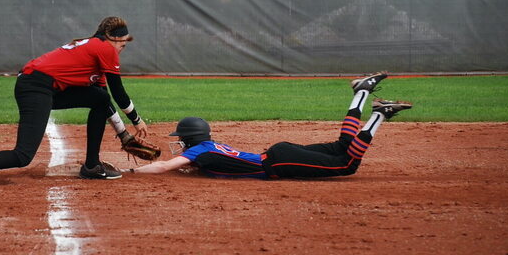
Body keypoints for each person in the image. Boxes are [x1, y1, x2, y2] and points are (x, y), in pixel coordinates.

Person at [0, 16, 148, 188]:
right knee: (23, 155)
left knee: (99, 98)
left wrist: (123, 134)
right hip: (35, 87)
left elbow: (105, 100)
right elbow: (119, 92)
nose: (122, 49)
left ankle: (92, 166)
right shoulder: (104, 48)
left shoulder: (94, 48)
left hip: (43, 87)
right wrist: (136, 120)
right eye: (122, 44)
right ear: (113, 38)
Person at [126, 72, 412, 178]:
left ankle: (379, 114)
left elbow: (164, 166)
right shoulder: (205, 150)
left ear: (190, 140)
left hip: (278, 164)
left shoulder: (199, 152)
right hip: (279, 155)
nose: (180, 144)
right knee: (342, 147)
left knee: (346, 164)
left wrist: (131, 172)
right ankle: (361, 93)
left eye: (181, 139)